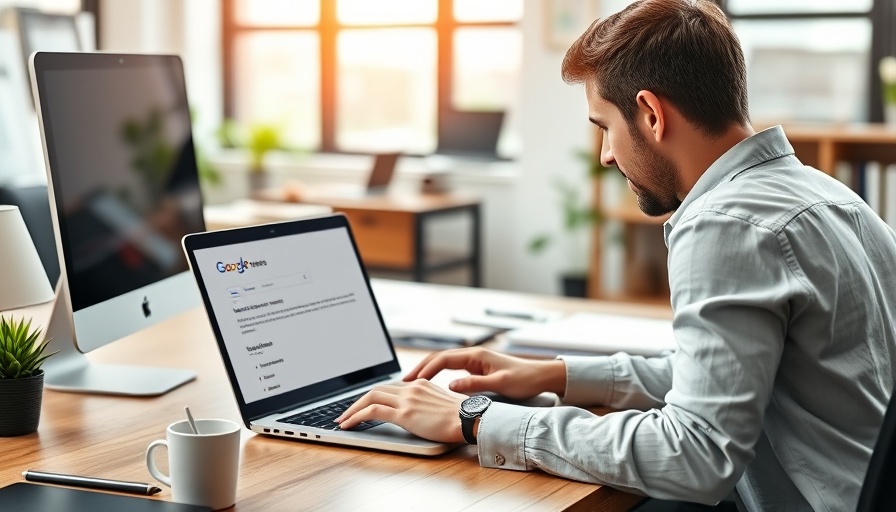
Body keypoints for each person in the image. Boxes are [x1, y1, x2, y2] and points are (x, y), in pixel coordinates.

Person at [337, 1, 896, 510]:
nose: (605, 155)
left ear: (651, 114)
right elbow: (733, 375)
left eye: (604, 126)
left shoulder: (725, 224)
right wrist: (553, 373)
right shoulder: (829, 196)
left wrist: (474, 418)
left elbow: (695, 455)